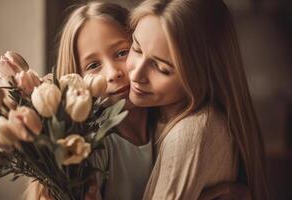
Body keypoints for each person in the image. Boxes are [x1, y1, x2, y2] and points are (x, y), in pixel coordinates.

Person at [24, 1, 252, 200]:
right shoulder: (89, 147)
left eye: (122, 52)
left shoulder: (173, 123)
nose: (114, 73)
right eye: (93, 66)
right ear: (76, 79)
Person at [126, 0, 269, 199]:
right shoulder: (154, 115)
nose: (136, 75)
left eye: (162, 68)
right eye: (136, 48)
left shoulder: (190, 132)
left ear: (201, 75)